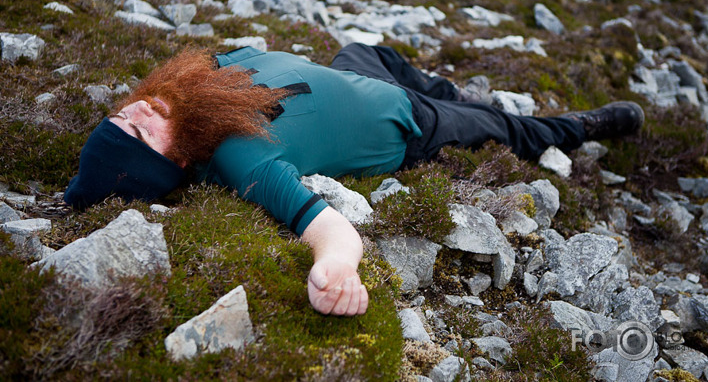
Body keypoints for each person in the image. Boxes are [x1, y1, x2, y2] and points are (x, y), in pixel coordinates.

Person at [63, 43, 644, 316]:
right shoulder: (238, 159)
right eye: (139, 137)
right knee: (513, 131)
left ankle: (452, 92)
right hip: (412, 124)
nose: (136, 114)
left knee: (367, 49)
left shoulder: (195, 92)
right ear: (177, 165)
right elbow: (329, 228)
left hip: (362, 74)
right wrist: (336, 266)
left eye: (122, 115)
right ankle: (585, 125)